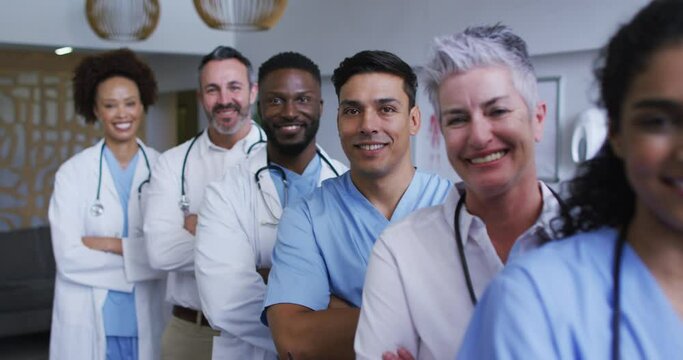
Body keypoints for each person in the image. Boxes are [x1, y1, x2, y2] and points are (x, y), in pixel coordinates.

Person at [458, 1, 683, 358]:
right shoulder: (535, 300)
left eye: (497, 111)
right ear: (615, 133)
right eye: (657, 121)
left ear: (538, 117)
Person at [355, 25, 564, 360]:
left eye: (497, 111)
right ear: (439, 133)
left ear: (537, 119)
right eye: (458, 119)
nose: (479, 136)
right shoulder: (401, 252)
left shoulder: (596, 235)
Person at [263, 50, 452, 359]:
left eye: (386, 109)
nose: (368, 125)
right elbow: (294, 341)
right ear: (338, 120)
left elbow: (481, 319)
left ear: (414, 120)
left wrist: (336, 311)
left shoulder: (454, 206)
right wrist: (428, 314)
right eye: (352, 111)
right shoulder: (307, 216)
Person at [195, 51, 348, 359]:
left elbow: (367, 290)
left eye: (303, 99)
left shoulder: (350, 185)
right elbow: (226, 301)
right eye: (276, 100)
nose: (290, 111)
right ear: (260, 106)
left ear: (320, 106)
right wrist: (325, 318)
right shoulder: (224, 193)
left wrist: (272, 278)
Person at [143, 46, 266, 360]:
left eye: (234, 87)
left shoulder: (278, 158)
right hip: (190, 333)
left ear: (253, 92)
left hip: (261, 329)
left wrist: (202, 226)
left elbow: (289, 248)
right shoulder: (172, 163)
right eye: (213, 89)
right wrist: (250, 240)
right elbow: (160, 252)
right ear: (201, 97)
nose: (224, 99)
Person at [48, 48, 165, 360]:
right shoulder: (73, 173)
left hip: (148, 320)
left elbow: (169, 253)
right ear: (96, 111)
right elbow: (69, 257)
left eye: (130, 103)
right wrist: (142, 256)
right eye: (110, 105)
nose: (122, 114)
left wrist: (112, 244)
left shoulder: (164, 169)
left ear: (143, 105)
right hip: (89, 319)